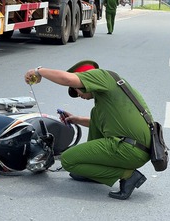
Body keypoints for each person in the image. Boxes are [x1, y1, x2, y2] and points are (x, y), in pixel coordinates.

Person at [24, 60, 152, 200]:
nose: (78, 94)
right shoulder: (108, 93)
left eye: (75, 89)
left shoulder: (102, 76)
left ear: (84, 81)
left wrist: (38, 71)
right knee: (95, 113)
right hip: (137, 147)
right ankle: (95, 174)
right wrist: (76, 119)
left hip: (129, 148)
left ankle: (128, 175)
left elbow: (67, 79)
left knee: (68, 161)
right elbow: (103, 123)